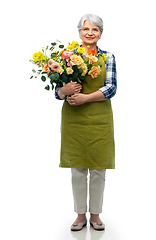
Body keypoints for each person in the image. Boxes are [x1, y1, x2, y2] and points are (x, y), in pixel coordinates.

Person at [55, 13, 117, 231]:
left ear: (100, 34)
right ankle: (80, 215)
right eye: (86, 29)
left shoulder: (108, 57)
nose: (90, 33)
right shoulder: (68, 56)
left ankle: (96, 215)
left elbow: (111, 88)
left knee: (99, 170)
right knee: (78, 170)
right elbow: (58, 92)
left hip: (99, 120)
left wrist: (85, 98)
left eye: (95, 30)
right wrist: (65, 90)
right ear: (79, 32)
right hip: (74, 121)